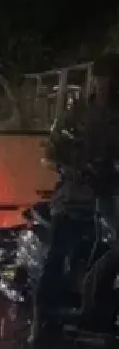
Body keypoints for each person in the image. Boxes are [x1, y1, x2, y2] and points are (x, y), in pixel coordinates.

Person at [44, 53, 119, 325]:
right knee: (57, 255)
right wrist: (73, 168)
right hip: (76, 195)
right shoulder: (77, 115)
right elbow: (53, 151)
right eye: (103, 79)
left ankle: (94, 303)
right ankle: (43, 319)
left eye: (113, 79)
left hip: (110, 194)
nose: (107, 85)